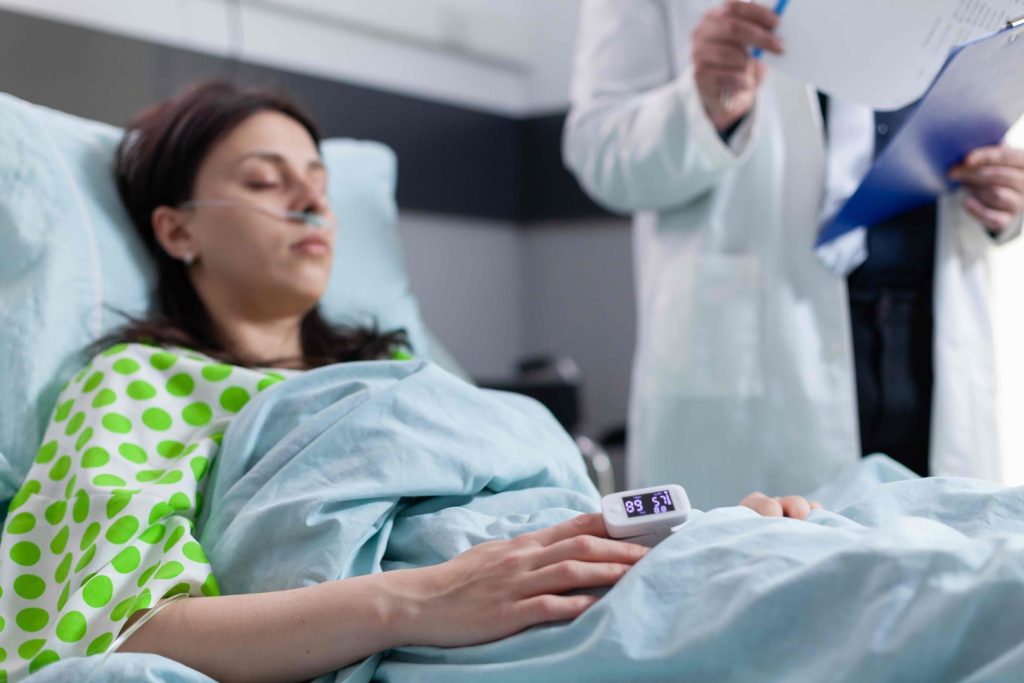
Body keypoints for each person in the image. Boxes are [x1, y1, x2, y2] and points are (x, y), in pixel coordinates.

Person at [0, 81, 818, 683]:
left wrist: (696, 527)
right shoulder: (140, 382)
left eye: (318, 179)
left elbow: (541, 520)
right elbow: (111, 633)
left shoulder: (398, 371)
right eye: (263, 180)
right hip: (484, 628)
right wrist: (424, 600)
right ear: (177, 230)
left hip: (592, 577)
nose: (310, 201)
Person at [563, 0, 1024, 509]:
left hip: (927, 348)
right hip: (762, 355)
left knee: (946, 565)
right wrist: (702, 106)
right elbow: (597, 152)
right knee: (761, 572)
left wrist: (1008, 195)